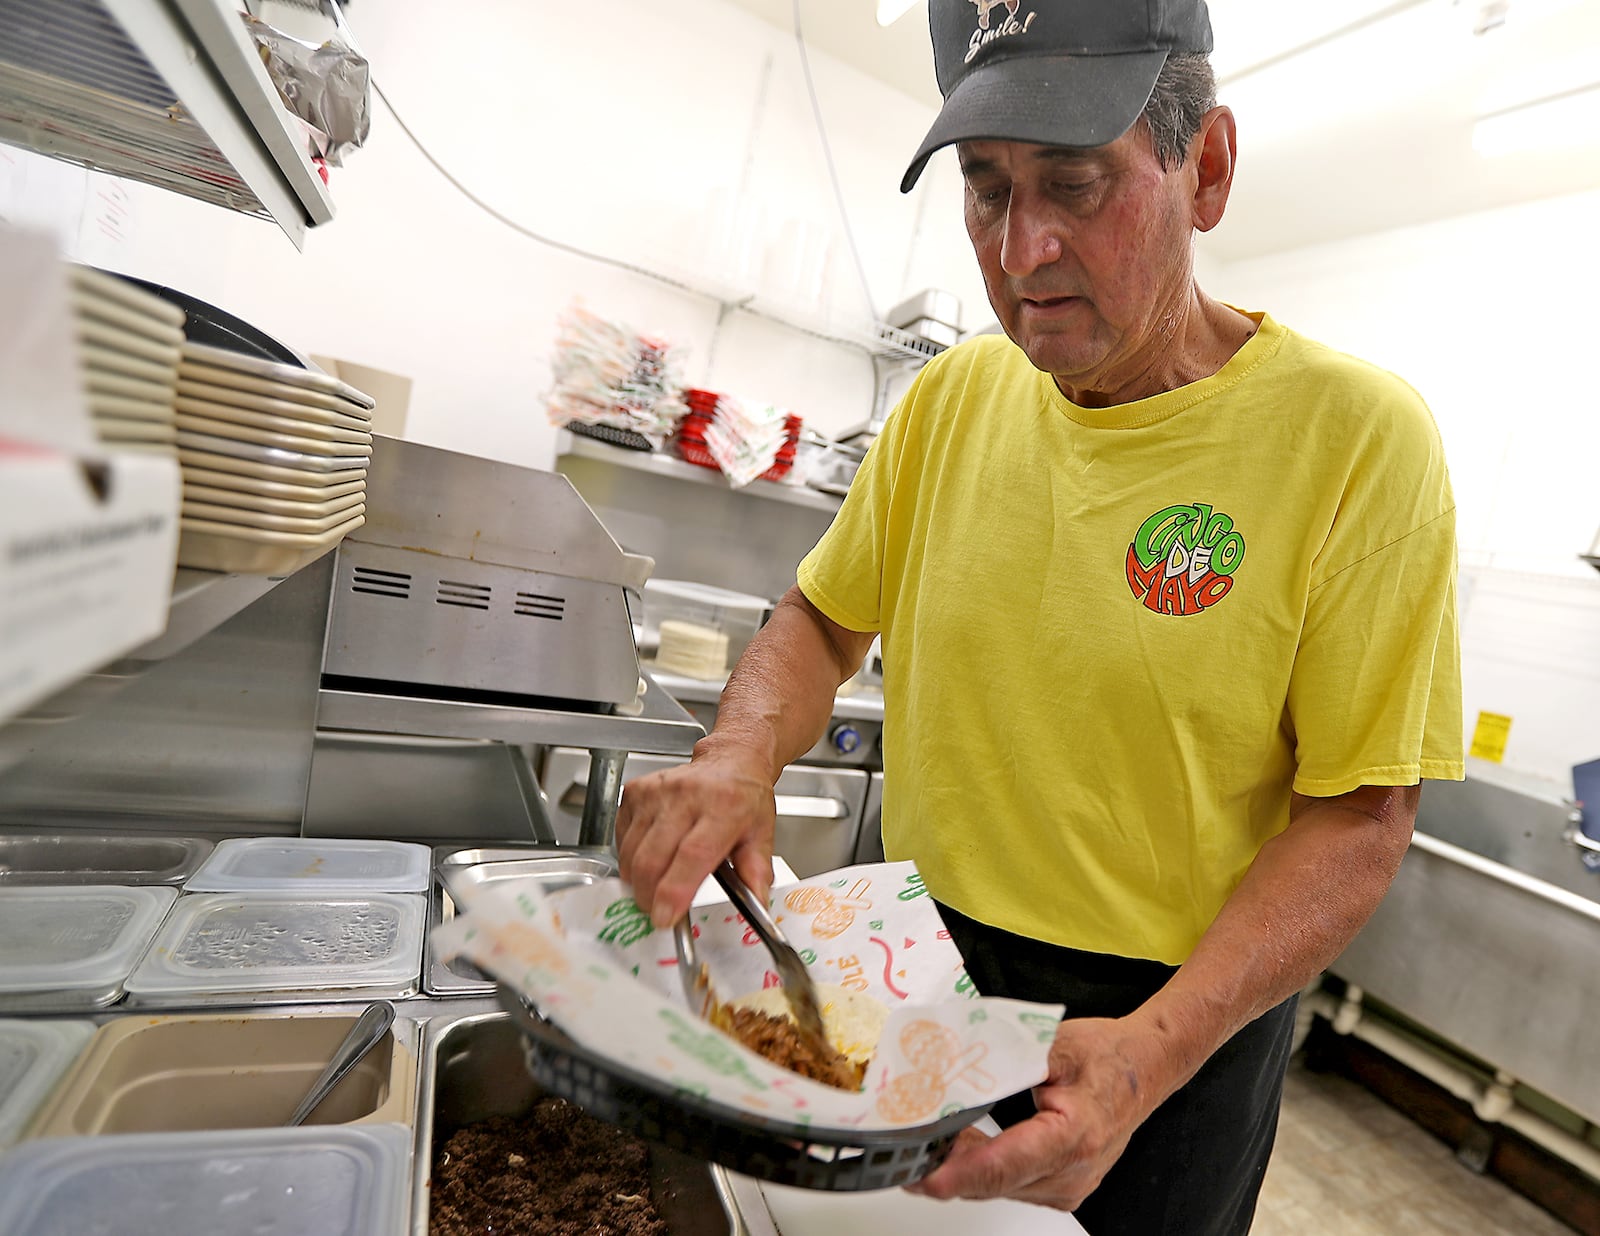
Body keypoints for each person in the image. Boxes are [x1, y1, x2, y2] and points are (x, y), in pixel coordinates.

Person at [616, 1, 1464, 1232]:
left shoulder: (1354, 441)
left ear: (1206, 169)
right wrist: (737, 757)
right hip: (924, 965)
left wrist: (1149, 1054)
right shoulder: (954, 395)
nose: (1020, 253)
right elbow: (821, 612)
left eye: (1076, 184)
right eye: (985, 188)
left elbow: (1362, 813)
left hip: (1170, 1024)